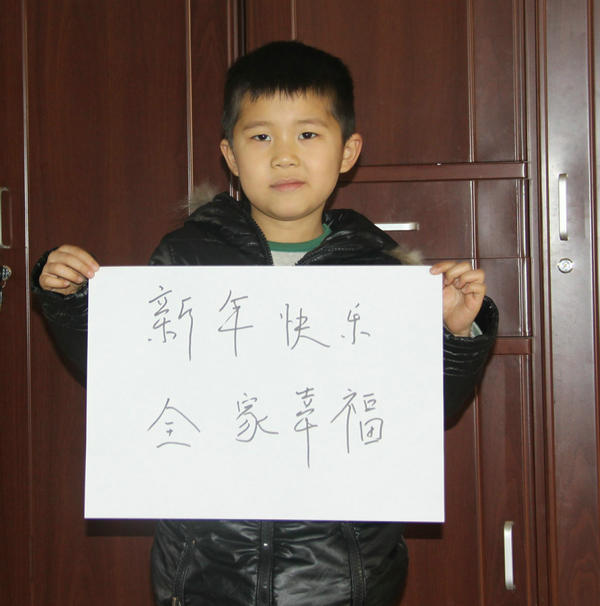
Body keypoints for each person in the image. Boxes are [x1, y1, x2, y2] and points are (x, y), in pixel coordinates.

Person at [32, 40, 498, 606]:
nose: (284, 157)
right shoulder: (186, 259)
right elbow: (125, 382)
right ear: (230, 155)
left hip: (343, 577)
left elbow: (427, 413)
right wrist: (73, 303)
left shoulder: (380, 273)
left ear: (348, 151)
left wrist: (455, 334)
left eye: (308, 134)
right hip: (208, 572)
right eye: (260, 137)